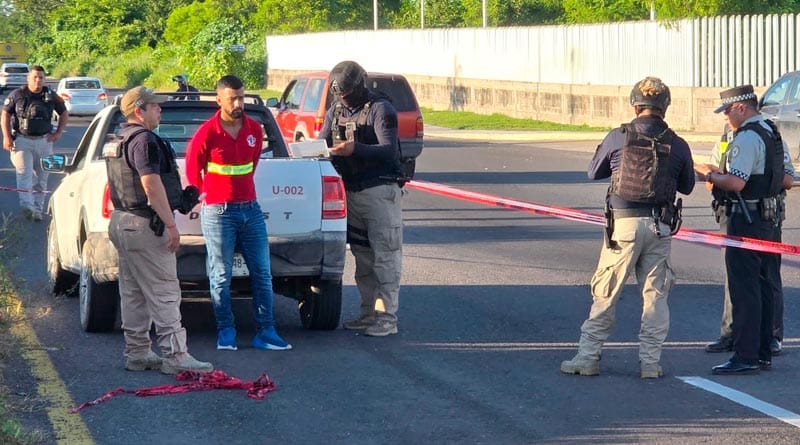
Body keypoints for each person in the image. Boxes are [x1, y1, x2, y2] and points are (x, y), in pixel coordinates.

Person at [560, 76, 695, 379]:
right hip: (660, 226)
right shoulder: (678, 143)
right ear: (665, 107)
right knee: (655, 295)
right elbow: (686, 186)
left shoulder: (618, 136)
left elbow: (594, 171)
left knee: (606, 292)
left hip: (623, 227)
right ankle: (650, 363)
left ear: (635, 105)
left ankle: (587, 357)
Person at [105, 86, 213, 374]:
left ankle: (138, 352)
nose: (160, 110)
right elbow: (150, 185)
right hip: (144, 224)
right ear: (139, 110)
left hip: (122, 221)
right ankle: (176, 356)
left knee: (134, 292)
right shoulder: (144, 141)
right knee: (164, 290)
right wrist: (170, 224)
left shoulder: (120, 138)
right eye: (155, 106)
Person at [185, 75, 291, 351]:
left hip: (250, 210)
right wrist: (204, 196)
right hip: (219, 213)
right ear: (219, 100)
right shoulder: (207, 133)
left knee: (262, 272)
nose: (238, 103)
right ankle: (226, 332)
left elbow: (251, 165)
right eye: (232, 98)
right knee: (221, 274)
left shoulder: (254, 129)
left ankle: (266, 331)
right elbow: (192, 170)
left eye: (241, 97)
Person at [694, 85, 791, 375]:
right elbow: (786, 178)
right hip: (769, 218)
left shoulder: (747, 137)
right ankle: (763, 351)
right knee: (763, 284)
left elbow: (736, 183)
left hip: (746, 218)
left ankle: (746, 354)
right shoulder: (771, 132)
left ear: (740, 108)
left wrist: (709, 175)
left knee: (744, 287)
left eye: (727, 111)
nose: (725, 118)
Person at [317, 60, 405, 337]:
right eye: (340, 94)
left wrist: (356, 149)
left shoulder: (381, 109)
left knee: (385, 258)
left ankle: (387, 318)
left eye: (347, 93)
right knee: (363, 260)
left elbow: (389, 150)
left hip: (379, 192)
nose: (344, 98)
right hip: (351, 193)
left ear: (361, 84)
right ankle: (369, 314)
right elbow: (322, 143)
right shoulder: (336, 110)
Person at [1, 65, 68, 221]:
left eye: (41, 77)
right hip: (22, 141)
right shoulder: (17, 94)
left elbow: (64, 113)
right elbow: (5, 115)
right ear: (28, 78)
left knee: (43, 177)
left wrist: (58, 132)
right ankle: (28, 208)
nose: (38, 80)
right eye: (35, 77)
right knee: (24, 175)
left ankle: (38, 210)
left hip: (44, 142)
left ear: (45, 79)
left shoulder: (51, 95)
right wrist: (6, 136)